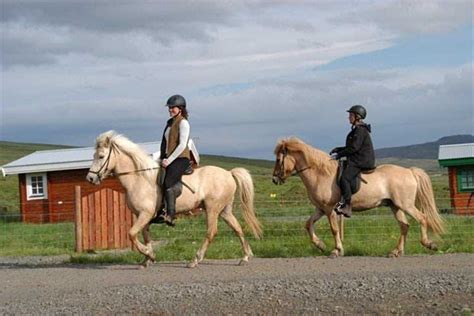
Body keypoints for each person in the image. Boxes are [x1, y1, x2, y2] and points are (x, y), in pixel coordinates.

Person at [330, 105, 375, 218]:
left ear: (357, 117)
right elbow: (351, 146)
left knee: (345, 178)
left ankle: (347, 205)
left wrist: (339, 155)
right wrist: (338, 149)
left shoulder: (360, 131)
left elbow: (354, 148)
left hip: (362, 160)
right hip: (357, 159)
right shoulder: (357, 130)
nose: (348, 117)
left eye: (350, 115)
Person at [155, 94, 192, 226]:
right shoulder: (169, 123)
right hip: (168, 158)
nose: (170, 110)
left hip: (181, 159)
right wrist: (161, 158)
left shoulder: (183, 123)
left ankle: (171, 215)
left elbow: (182, 145)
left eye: (173, 108)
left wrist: (169, 160)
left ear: (180, 109)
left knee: (169, 182)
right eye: (169, 108)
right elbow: (164, 143)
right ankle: (160, 212)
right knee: (158, 181)